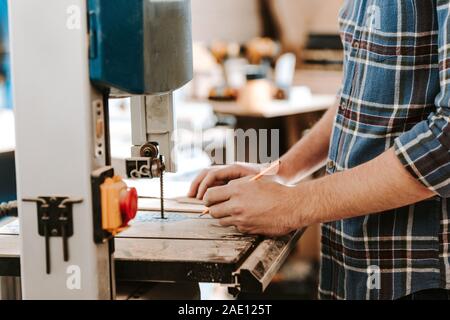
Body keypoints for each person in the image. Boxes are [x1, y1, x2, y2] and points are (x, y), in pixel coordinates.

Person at [188, 1, 450, 300]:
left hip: (422, 276)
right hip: (355, 261)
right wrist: (282, 172)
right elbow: (357, 92)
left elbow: (445, 143)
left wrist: (294, 205)